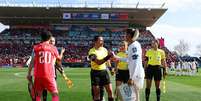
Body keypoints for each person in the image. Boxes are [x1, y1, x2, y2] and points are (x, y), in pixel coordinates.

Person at [27, 31, 65, 101]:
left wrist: (29, 74)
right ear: (50, 38)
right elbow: (59, 59)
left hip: (38, 75)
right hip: (49, 75)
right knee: (55, 95)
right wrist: (62, 53)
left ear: (41, 38)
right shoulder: (53, 48)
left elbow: (32, 62)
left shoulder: (36, 48)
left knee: (38, 95)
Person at [113, 28, 145, 101]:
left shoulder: (133, 46)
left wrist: (131, 78)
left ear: (129, 35)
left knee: (134, 96)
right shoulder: (133, 45)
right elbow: (129, 60)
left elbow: (135, 62)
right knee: (133, 95)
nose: (125, 36)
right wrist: (116, 57)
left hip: (136, 74)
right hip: (135, 73)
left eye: (126, 35)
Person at [88, 36, 114, 101]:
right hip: (95, 73)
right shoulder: (91, 52)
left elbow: (108, 61)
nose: (102, 42)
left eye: (102, 40)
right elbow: (98, 62)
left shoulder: (104, 49)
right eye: (100, 40)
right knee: (97, 94)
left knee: (110, 91)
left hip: (104, 72)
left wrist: (111, 69)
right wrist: (109, 56)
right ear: (95, 42)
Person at [42, 36, 64, 101]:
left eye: (53, 41)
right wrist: (62, 53)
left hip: (52, 73)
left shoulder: (54, 49)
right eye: (51, 41)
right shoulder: (44, 49)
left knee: (53, 90)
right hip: (44, 72)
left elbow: (56, 62)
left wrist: (60, 69)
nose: (52, 42)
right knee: (44, 88)